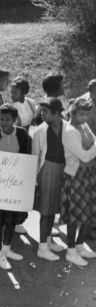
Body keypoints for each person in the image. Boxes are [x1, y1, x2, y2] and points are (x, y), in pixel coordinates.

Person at [0, 104, 32, 270]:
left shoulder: (23, 134)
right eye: (1, 119)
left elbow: (26, 158)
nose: (3, 122)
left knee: (11, 219)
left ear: (15, 120)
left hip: (14, 186)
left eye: (7, 119)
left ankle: (7, 248)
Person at [60, 98, 96, 266]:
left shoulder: (83, 126)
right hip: (75, 176)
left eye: (88, 114)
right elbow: (85, 156)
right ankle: (71, 250)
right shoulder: (69, 131)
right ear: (73, 112)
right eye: (82, 114)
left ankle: (80, 245)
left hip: (88, 174)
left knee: (88, 212)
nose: (85, 117)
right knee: (74, 216)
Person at [32, 98, 67, 261]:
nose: (42, 113)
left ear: (56, 113)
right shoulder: (40, 130)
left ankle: (48, 240)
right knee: (46, 210)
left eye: (45, 111)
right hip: (47, 170)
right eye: (41, 110)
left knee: (54, 207)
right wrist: (35, 180)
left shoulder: (67, 127)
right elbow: (35, 157)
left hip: (62, 169)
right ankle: (42, 247)